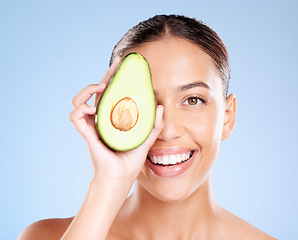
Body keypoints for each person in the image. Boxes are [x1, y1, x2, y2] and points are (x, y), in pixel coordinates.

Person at [18, 14, 276, 240]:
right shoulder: (46, 237)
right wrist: (109, 181)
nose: (166, 130)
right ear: (110, 113)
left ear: (227, 118)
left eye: (193, 100)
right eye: (147, 103)